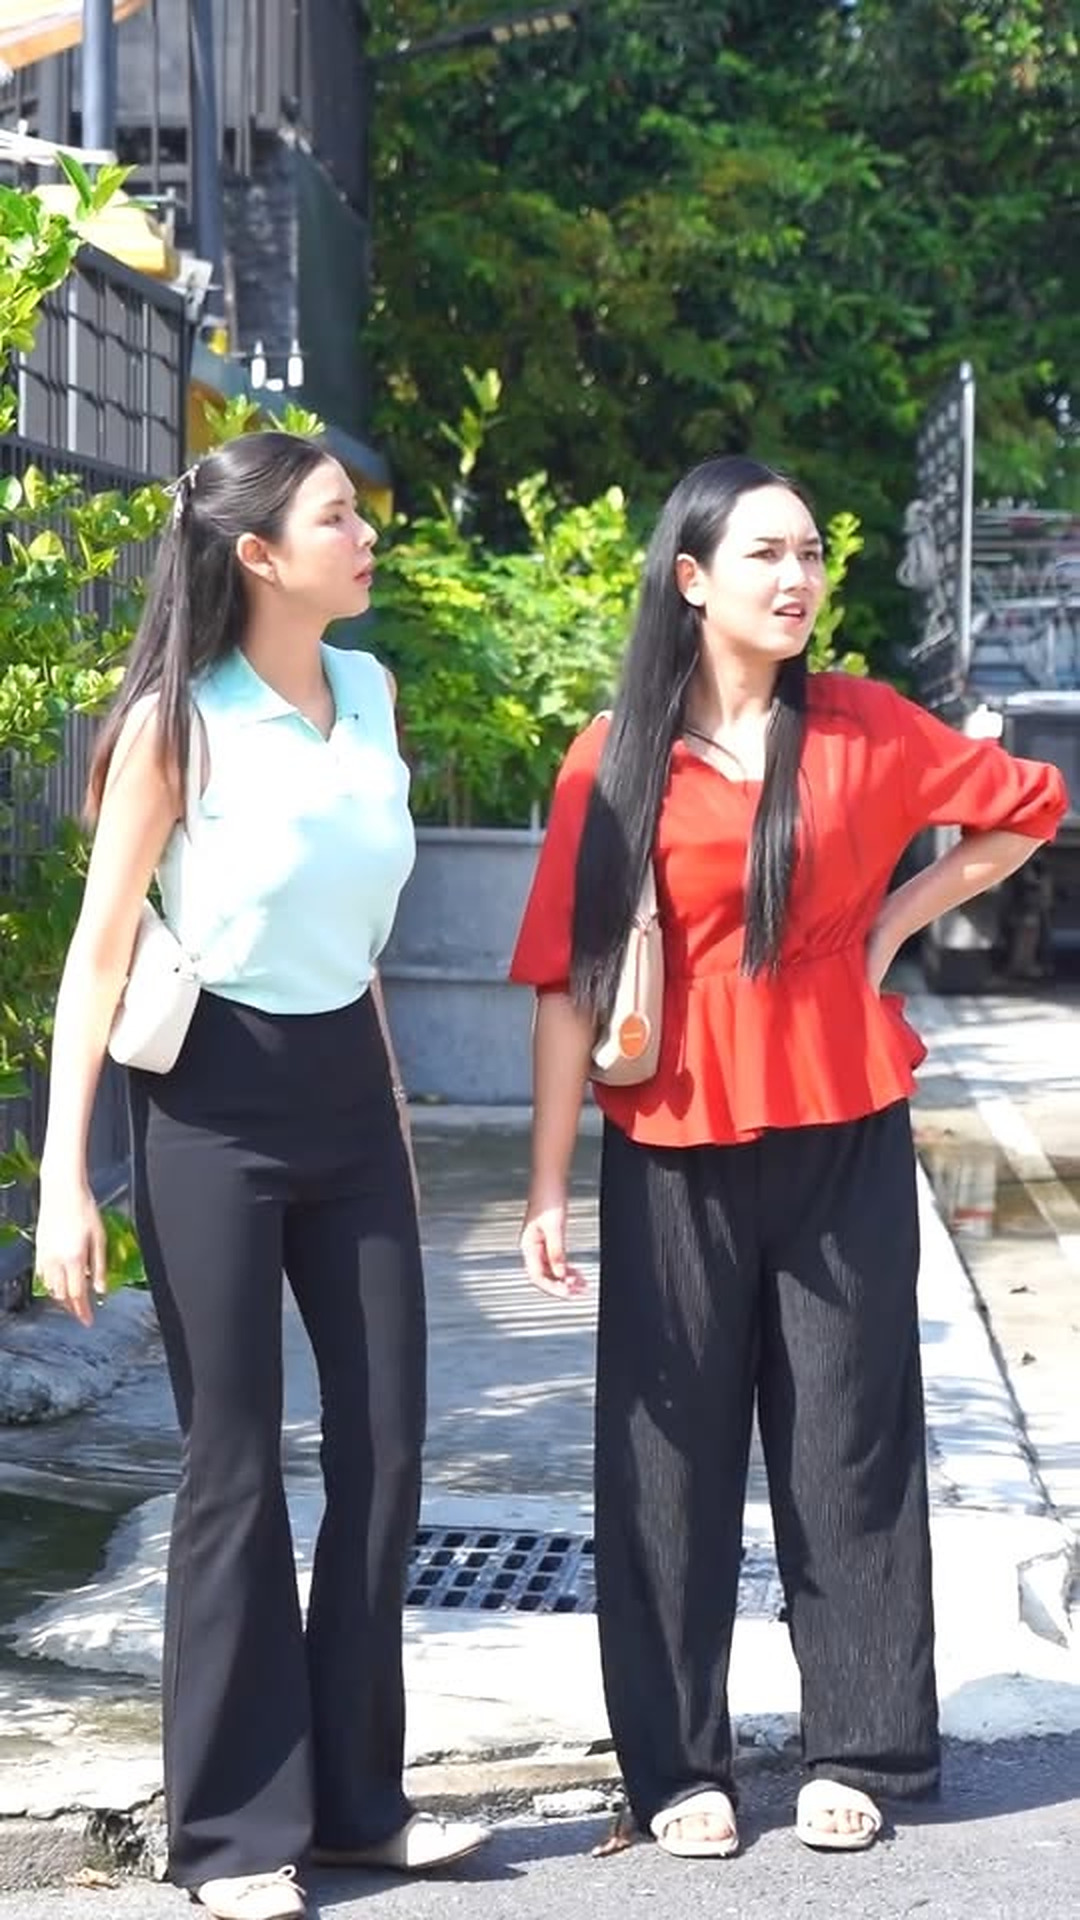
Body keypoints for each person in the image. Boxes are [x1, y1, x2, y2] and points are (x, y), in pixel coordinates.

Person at [510, 455, 1067, 1861]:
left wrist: (891, 923)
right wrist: (545, 1184)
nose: (797, 577)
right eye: (766, 554)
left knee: (850, 1438)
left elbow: (1026, 807)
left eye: (811, 553)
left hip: (842, 1115)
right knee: (667, 1458)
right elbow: (568, 980)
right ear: (692, 578)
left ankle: (860, 1747)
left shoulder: (868, 727)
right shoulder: (614, 757)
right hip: (669, 1135)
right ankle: (675, 1768)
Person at [33, 432, 487, 1920]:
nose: (367, 536)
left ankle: (357, 1809)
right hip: (210, 1109)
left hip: (351, 1097)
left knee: (386, 1451)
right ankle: (231, 1838)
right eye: (337, 518)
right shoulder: (175, 725)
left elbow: (356, 934)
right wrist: (64, 1183)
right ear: (259, 556)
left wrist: (394, 1116)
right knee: (233, 1466)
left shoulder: (372, 691)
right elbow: (97, 957)